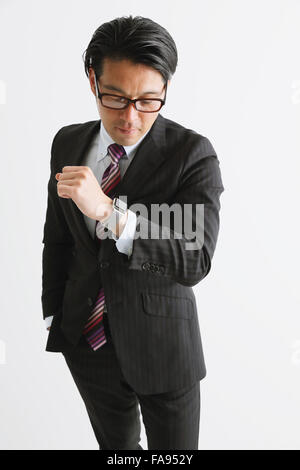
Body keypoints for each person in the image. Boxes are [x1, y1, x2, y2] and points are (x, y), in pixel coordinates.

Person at [41, 14, 224, 450]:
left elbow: (194, 257)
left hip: (163, 349)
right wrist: (54, 311)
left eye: (147, 101)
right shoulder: (67, 143)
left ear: (164, 89)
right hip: (87, 340)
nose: (130, 117)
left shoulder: (191, 154)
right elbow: (58, 237)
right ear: (93, 81)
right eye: (115, 97)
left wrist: (109, 211)